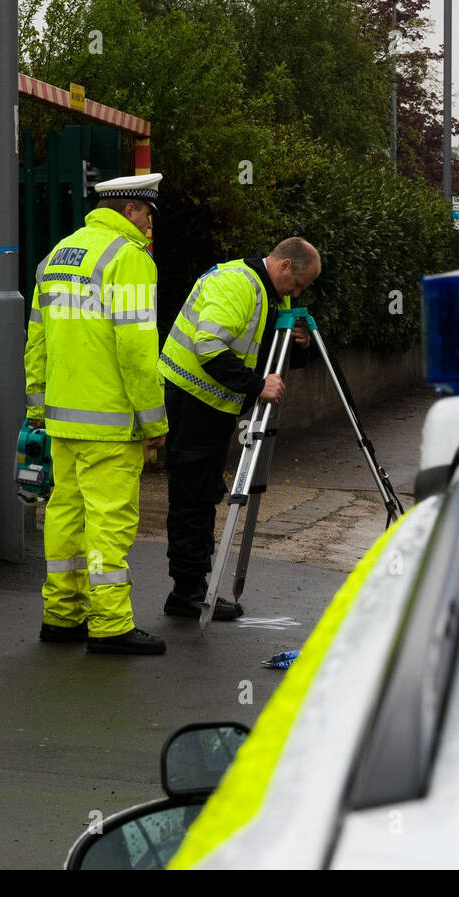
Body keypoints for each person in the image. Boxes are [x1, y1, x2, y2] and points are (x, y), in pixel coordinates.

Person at [24, 173, 168, 655]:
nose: (150, 226)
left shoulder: (56, 256)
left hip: (63, 419)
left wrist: (37, 406)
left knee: (64, 514)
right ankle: (110, 626)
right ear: (130, 210)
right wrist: (154, 423)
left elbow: (37, 340)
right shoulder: (128, 259)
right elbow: (135, 349)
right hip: (110, 422)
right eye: (147, 214)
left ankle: (61, 616)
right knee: (109, 520)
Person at [158, 238, 322, 619]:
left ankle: (195, 586)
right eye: (298, 284)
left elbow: (264, 352)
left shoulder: (272, 294)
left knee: (201, 495)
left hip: (213, 405)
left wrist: (299, 346)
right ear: (283, 266)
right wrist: (254, 385)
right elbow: (209, 347)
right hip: (191, 401)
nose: (297, 295)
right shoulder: (237, 283)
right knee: (191, 498)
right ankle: (187, 592)